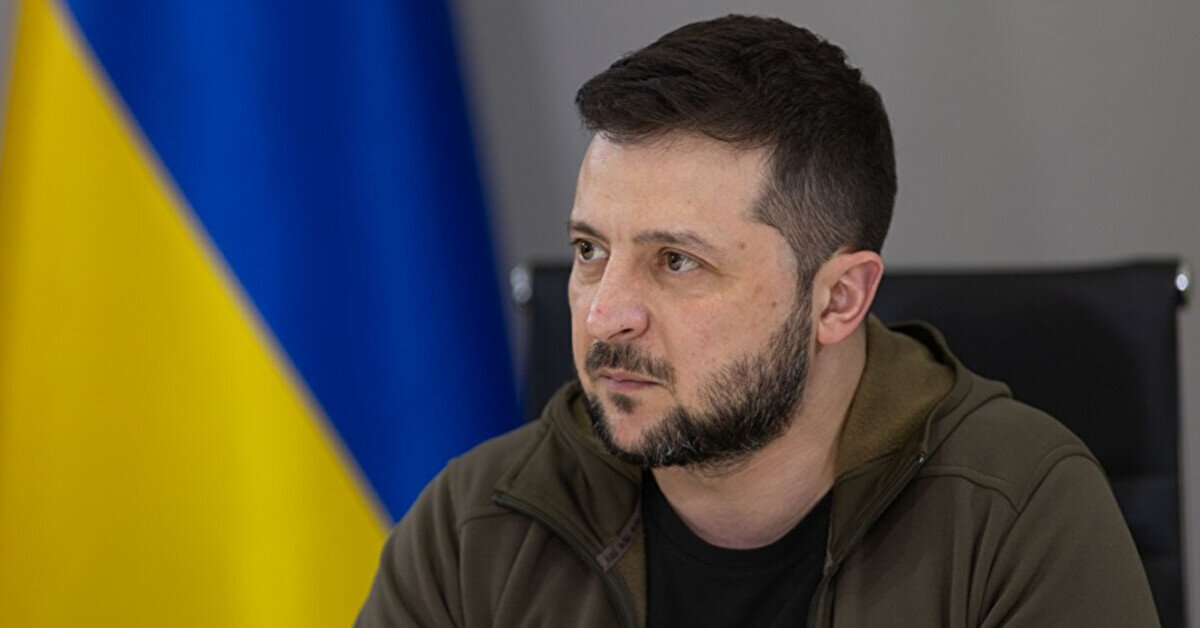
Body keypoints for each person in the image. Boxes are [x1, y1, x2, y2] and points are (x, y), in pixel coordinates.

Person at [357, 15, 1158, 627]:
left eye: (677, 261)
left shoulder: (1018, 515)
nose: (605, 313)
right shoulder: (475, 526)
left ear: (838, 300)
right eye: (590, 250)